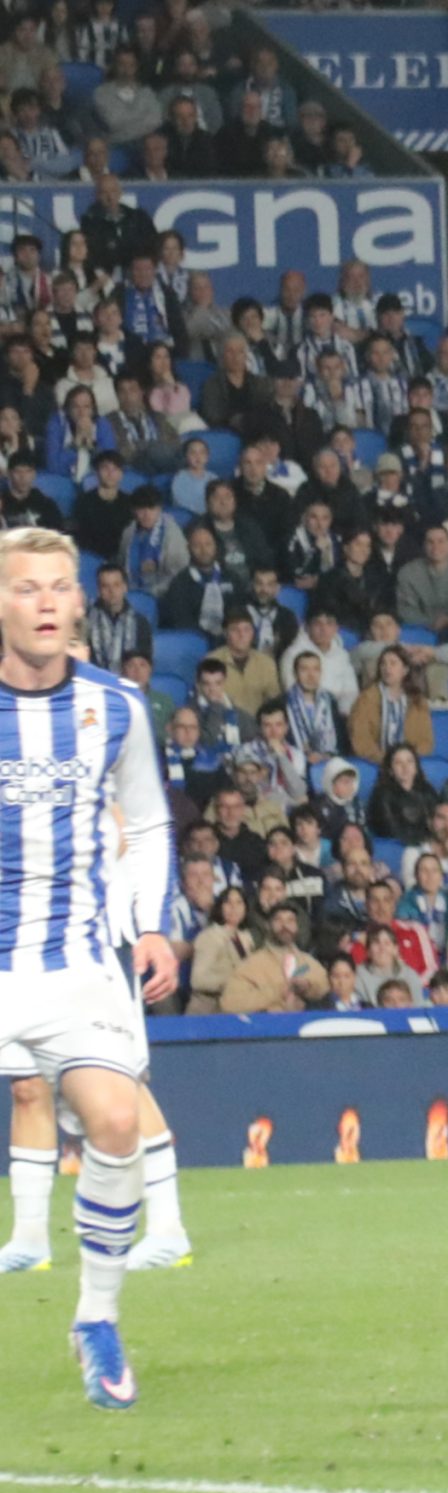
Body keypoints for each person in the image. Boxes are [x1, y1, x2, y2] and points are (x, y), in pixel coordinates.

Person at [0, 528, 177, 1408]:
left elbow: (145, 822)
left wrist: (149, 924)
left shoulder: (117, 706)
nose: (43, 601)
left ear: (80, 604)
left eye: (57, 587)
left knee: (113, 1124)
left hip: (75, 962)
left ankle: (97, 1320)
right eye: (25, 587)